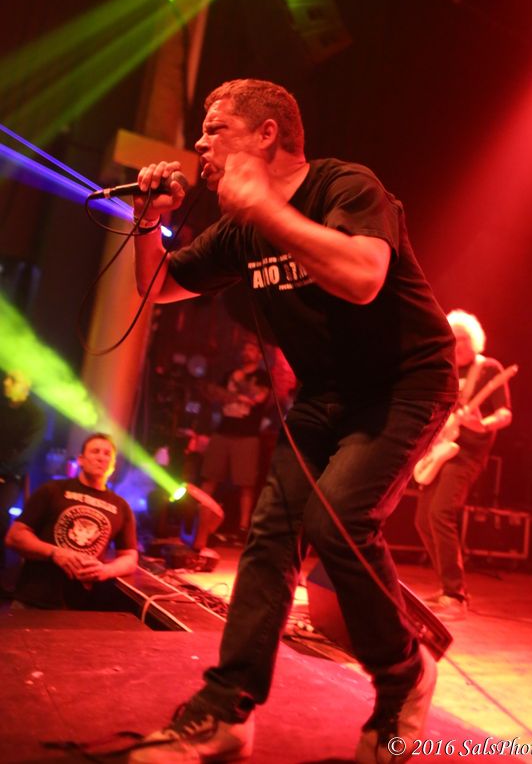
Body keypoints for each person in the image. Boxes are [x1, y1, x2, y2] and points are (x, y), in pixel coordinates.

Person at [129, 79, 457, 763]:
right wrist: (148, 223)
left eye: (215, 129)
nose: (200, 144)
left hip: (405, 384)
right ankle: (226, 709)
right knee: (269, 541)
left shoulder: (347, 186)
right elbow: (158, 286)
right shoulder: (240, 228)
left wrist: (264, 209)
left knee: (337, 520)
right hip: (323, 395)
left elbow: (363, 278)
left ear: (266, 133)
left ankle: (403, 673)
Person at [414, 309, 513, 619]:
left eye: (463, 339)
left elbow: (505, 414)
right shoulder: (446, 370)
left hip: (468, 453)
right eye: (453, 339)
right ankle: (447, 589)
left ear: (475, 340)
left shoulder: (489, 369)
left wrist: (482, 424)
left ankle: (455, 595)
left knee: (441, 512)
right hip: (441, 450)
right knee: (423, 519)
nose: (457, 345)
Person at [5, 432, 138, 609]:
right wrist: (55, 553)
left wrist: (106, 570)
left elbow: (129, 557)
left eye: (107, 454)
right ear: (80, 460)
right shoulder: (52, 490)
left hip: (81, 607)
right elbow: (14, 536)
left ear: (113, 465)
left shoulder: (121, 506)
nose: (101, 457)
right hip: (34, 599)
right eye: (95, 451)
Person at [201, 337, 270, 542]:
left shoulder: (262, 376)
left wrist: (239, 383)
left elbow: (259, 398)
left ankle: (243, 527)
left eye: (252, 349)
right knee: (210, 477)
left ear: (259, 355)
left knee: (245, 483)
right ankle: (200, 521)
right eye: (245, 348)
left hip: (247, 435)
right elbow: (213, 393)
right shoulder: (229, 373)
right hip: (223, 431)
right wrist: (236, 396)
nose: (247, 352)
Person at [0, 369, 45, 565]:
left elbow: (27, 452)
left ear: (26, 385)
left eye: (12, 380)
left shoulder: (35, 415)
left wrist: (3, 471)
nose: (6, 383)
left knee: (0, 514)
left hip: (12, 475)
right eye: (7, 379)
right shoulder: (2, 408)